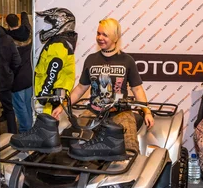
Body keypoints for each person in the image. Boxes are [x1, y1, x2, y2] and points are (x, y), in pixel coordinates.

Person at [52, 18, 154, 161]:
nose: (100, 38)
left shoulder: (127, 60)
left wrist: (147, 112)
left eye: (105, 35)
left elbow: (137, 89)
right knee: (75, 143)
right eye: (98, 33)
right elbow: (81, 88)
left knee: (129, 149)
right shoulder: (91, 59)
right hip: (94, 111)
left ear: (115, 37)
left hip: (121, 113)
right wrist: (62, 107)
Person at [6, 12, 33, 131]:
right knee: (28, 106)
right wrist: (24, 15)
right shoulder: (28, 33)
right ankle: (31, 131)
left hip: (16, 79)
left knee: (20, 108)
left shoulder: (8, 39)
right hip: (29, 76)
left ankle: (25, 134)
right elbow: (27, 23)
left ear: (7, 24)